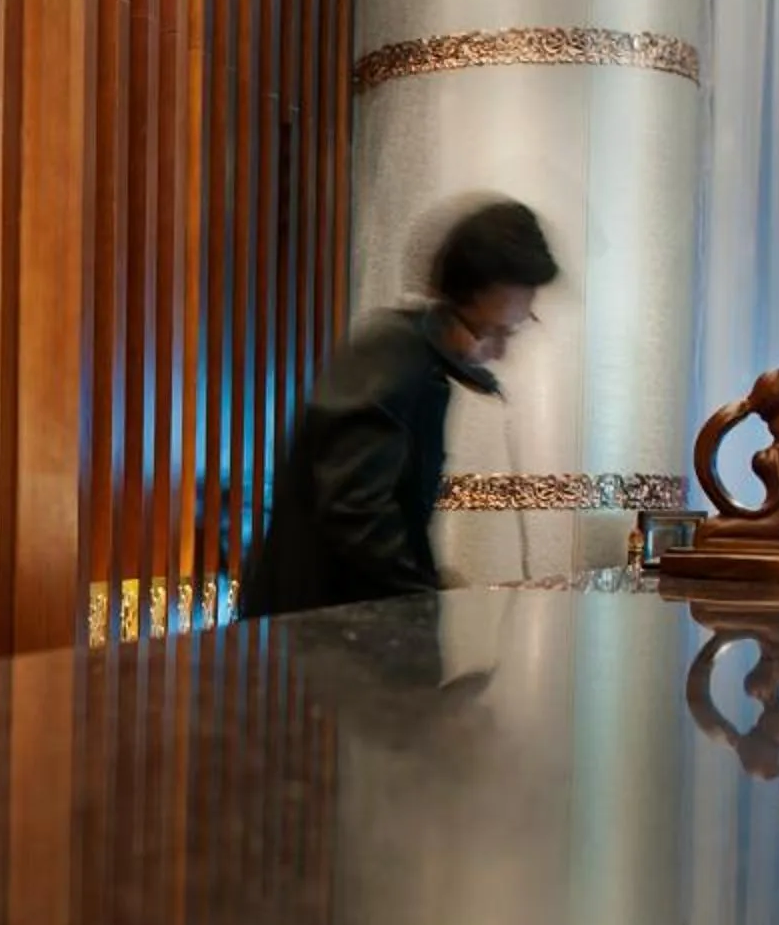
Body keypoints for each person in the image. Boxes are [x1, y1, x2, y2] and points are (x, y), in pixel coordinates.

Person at [237, 199, 559, 618]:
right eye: (491, 333)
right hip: (318, 637)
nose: (497, 352)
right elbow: (357, 513)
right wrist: (424, 595)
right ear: (455, 302)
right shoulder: (389, 352)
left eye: (512, 330)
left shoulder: (421, 363)